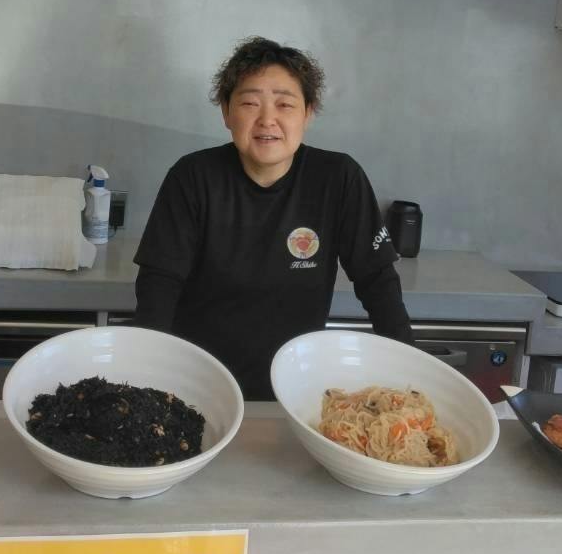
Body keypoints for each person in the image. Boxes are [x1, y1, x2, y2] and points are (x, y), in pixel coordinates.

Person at [134, 36, 414, 399]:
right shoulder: (193, 177)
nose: (267, 120)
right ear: (226, 112)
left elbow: (377, 281)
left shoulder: (338, 178)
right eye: (250, 103)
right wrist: (148, 384)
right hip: (198, 386)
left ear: (308, 113)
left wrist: (412, 375)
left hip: (294, 388)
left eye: (285, 104)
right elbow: (158, 287)